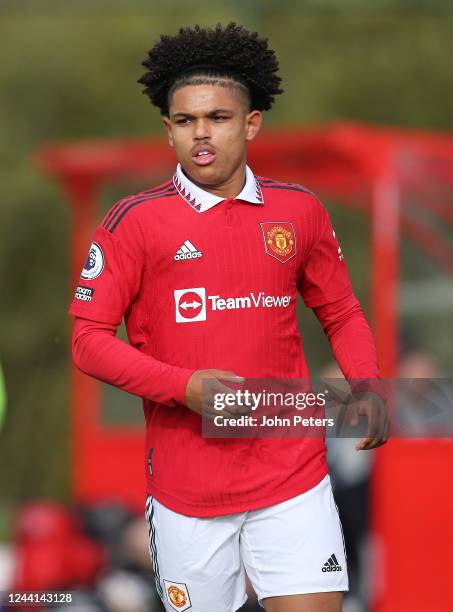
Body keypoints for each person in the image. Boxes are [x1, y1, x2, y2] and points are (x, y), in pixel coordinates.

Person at [69, 23, 388, 612]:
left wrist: (364, 379)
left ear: (251, 122)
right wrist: (183, 386)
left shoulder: (299, 211)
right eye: (186, 121)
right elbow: (87, 341)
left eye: (217, 117)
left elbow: (341, 310)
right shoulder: (133, 222)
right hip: (188, 492)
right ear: (168, 131)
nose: (202, 134)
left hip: (292, 473)